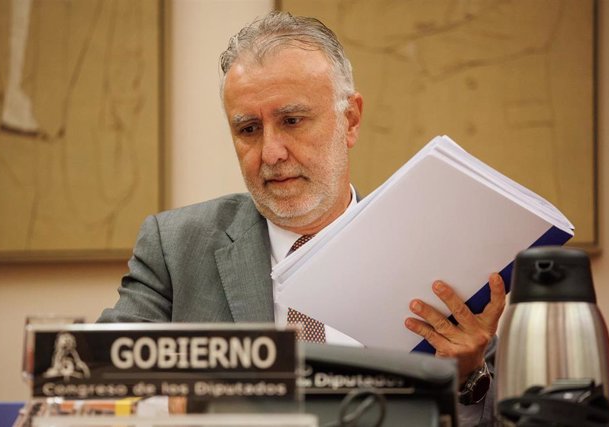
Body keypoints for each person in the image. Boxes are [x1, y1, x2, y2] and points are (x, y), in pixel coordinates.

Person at [99, 11, 506, 425]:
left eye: (292, 121)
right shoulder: (176, 246)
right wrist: (206, 401)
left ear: (350, 119)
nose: (271, 152)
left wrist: (465, 377)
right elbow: (92, 381)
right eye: (249, 129)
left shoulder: (435, 261)